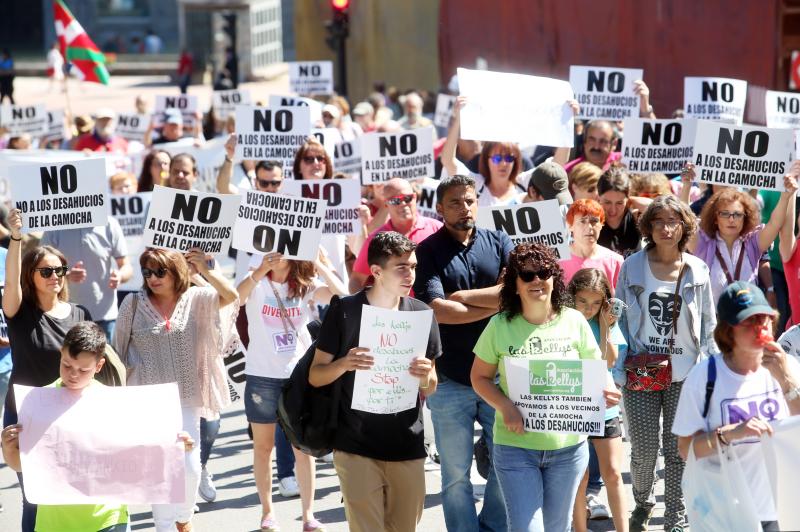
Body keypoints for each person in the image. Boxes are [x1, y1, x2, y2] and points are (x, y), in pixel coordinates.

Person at [471, 243, 620, 532]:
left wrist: (604, 391)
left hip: (568, 449)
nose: (536, 280)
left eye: (543, 272)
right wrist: (505, 406)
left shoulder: (574, 321)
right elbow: (479, 378)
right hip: (516, 449)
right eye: (526, 276)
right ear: (514, 285)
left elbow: (594, 371)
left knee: (556, 528)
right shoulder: (499, 325)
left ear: (555, 278)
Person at [309, 231, 441, 532]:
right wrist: (344, 363)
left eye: (414, 266)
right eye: (402, 267)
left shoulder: (422, 314)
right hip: (354, 444)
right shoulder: (345, 311)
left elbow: (430, 386)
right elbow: (316, 376)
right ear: (377, 271)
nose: (411, 275)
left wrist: (425, 376)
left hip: (407, 442)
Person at [112, 248, 238, 532]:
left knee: (191, 469)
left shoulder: (196, 298)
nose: (153, 278)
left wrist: (204, 271)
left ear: (176, 272)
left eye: (160, 271)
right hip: (147, 401)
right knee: (161, 472)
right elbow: (118, 353)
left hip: (186, 397)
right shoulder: (132, 303)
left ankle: (183, 517)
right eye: (147, 272)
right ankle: (164, 527)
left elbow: (231, 296)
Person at [413, 174, 512, 532]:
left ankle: (493, 527)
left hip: (498, 373)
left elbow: (512, 295)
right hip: (451, 377)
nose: (464, 207)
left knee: (505, 464)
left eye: (469, 200)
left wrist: (465, 299)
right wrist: (494, 303)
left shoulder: (499, 241)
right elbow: (436, 310)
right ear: (439, 208)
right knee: (455, 475)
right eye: (454, 202)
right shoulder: (427, 251)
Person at [613, 195, 717, 532]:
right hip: (643, 368)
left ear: (684, 226)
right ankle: (643, 502)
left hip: (685, 372)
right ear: (648, 226)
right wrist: (618, 365)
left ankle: (676, 518)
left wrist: (710, 372)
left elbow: (709, 325)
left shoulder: (697, 270)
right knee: (644, 452)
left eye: (673, 221)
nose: (666, 228)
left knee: (677, 452)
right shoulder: (632, 266)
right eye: (658, 221)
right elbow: (620, 322)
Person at [673, 281, 800, 532]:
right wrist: (730, 434)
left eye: (764, 318)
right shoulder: (703, 377)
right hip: (727, 510)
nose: (759, 327)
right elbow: (685, 449)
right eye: (748, 321)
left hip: (781, 507)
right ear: (728, 331)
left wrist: (786, 380)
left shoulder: (789, 366)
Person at [236, 248, 345, 532]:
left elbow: (342, 297)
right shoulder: (257, 280)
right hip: (262, 375)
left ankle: (308, 515)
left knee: (303, 449)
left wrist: (321, 266)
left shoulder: (305, 284)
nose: (276, 253)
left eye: (283, 247)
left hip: (298, 376)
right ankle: (267, 512)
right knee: (263, 447)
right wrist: (260, 269)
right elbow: (236, 298)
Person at [3, 208, 92, 532]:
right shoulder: (20, 313)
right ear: (32, 275)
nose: (55, 276)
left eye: (60, 270)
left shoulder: (80, 313)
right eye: (46, 271)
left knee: (70, 496)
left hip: (70, 418)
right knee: (35, 497)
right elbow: (11, 281)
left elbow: (93, 367)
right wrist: (16, 237)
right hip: (27, 416)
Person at [1, 322, 128, 532]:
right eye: (67, 365)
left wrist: (175, 445)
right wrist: (8, 448)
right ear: (61, 354)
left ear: (99, 366)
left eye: (83, 369)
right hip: (54, 522)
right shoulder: (38, 401)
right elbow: (21, 466)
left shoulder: (112, 403)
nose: (73, 374)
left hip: (107, 518)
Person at [567, 268, 628, 532]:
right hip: (572, 405)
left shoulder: (605, 321)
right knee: (580, 476)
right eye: (582, 301)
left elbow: (610, 359)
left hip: (603, 405)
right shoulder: (562, 320)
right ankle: (580, 528)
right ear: (572, 297)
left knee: (613, 472)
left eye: (595, 303)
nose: (588, 309)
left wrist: (606, 324)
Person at [687, 167, 797, 303]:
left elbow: (775, 223)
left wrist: (786, 196)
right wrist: (687, 185)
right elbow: (684, 222)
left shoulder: (753, 243)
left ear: (746, 218)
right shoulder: (704, 244)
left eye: (738, 214)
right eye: (725, 214)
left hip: (748, 320)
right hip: (714, 322)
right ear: (715, 218)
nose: (731, 219)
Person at [41, 214, 132, 341]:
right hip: (66, 316)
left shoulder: (110, 224)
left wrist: (120, 276)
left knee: (107, 361)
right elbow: (42, 268)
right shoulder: (55, 226)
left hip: (105, 317)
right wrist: (66, 275)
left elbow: (127, 267)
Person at [349, 178, 442, 292]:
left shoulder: (437, 228)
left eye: (407, 198)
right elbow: (356, 280)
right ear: (386, 205)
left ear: (415, 197)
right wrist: (365, 307)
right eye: (395, 201)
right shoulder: (376, 239)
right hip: (392, 309)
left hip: (432, 307)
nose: (403, 204)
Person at [441, 97, 526, 206]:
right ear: (486, 160)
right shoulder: (476, 185)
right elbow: (448, 161)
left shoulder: (525, 184)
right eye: (497, 158)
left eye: (509, 158)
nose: (503, 163)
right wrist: (458, 119)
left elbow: (554, 165)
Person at [293, 139, 348, 284]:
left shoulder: (343, 197)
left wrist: (361, 224)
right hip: (302, 286)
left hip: (337, 283)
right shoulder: (288, 198)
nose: (316, 163)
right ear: (298, 166)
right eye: (309, 159)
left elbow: (356, 248)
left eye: (321, 158)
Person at [560, 199, 624, 288]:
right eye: (582, 221)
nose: (589, 227)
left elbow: (622, 299)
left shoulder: (616, 262)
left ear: (601, 225)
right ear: (570, 226)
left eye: (594, 221)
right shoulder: (557, 261)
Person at [597, 166, 646, 258]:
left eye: (619, 203)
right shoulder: (592, 220)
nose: (613, 210)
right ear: (598, 197)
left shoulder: (635, 217)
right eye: (607, 202)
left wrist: (632, 200)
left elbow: (659, 208)